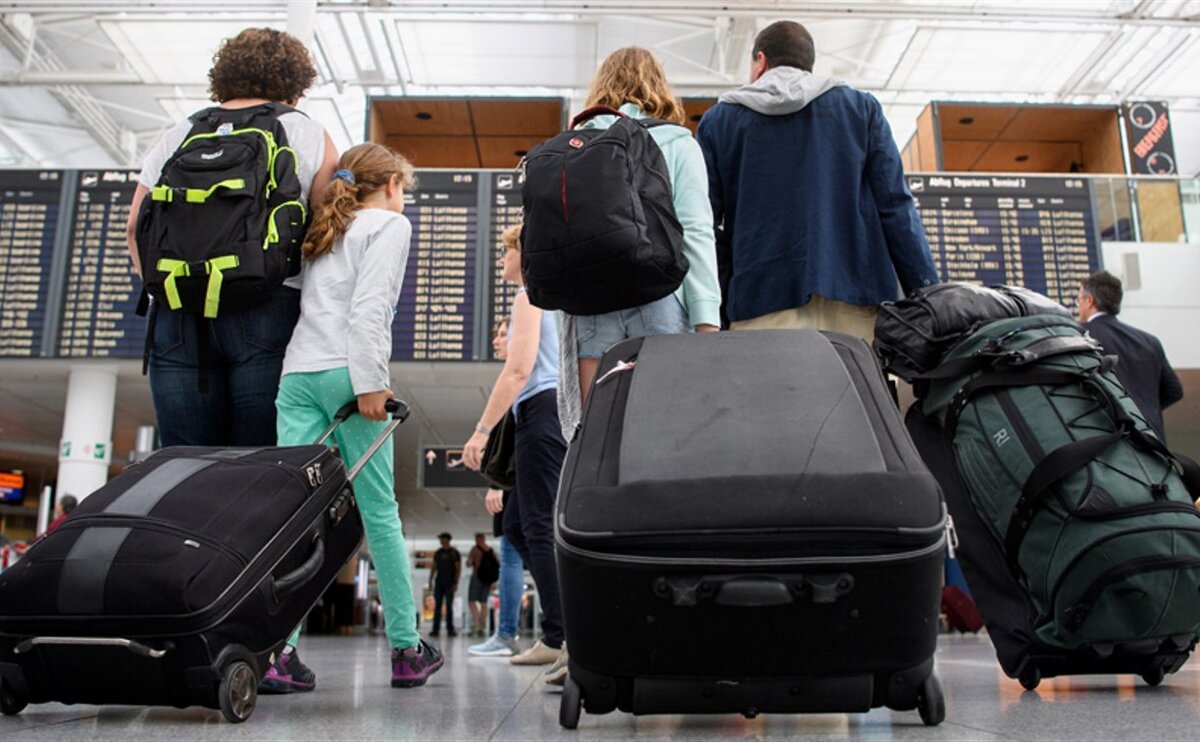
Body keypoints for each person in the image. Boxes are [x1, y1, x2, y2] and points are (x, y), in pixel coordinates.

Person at [270, 142, 443, 692]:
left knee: (294, 515)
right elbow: (371, 308)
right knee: (378, 511)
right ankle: (406, 650)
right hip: (348, 376)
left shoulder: (325, 229)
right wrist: (371, 382)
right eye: (404, 188)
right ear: (391, 183)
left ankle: (278, 652)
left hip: (297, 377)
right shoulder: (389, 225)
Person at [125, 27, 339, 447]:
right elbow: (325, 231)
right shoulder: (306, 133)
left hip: (177, 308)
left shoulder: (180, 133)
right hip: (267, 305)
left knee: (184, 463)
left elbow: (135, 226)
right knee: (255, 464)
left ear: (224, 74)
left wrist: (162, 289)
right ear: (295, 82)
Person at [696, 20, 938, 340]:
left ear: (760, 61)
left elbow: (704, 224)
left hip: (760, 303)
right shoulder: (860, 109)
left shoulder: (719, 122)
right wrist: (928, 295)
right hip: (856, 301)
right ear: (809, 64)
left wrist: (719, 304)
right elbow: (895, 206)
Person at [559, 46, 721, 425]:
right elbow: (695, 230)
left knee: (596, 435)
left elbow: (559, 242)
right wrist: (706, 318)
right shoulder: (678, 142)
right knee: (664, 434)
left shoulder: (572, 146)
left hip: (589, 305)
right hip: (661, 297)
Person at [461, 224, 569, 685]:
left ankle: (563, 636)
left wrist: (482, 431)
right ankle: (558, 631)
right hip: (548, 412)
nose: (502, 260)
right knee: (519, 524)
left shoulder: (530, 296)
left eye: (506, 252)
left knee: (538, 524)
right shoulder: (559, 300)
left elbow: (518, 369)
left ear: (525, 255)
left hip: (542, 411)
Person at [1078, 270, 1183, 442]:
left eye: (1079, 300)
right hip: (1154, 441)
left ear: (1090, 301)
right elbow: (1174, 391)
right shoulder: (1150, 341)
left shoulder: (1081, 335)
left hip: (1111, 440)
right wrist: (1145, 408)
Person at [428, 532, 462, 638]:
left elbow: (458, 569)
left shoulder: (454, 553)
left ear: (447, 540)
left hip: (450, 583)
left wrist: (456, 582)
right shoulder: (438, 553)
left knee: (449, 606)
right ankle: (435, 629)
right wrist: (430, 580)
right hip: (439, 582)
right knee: (437, 606)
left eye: (442, 539)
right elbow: (434, 567)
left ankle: (450, 629)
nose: (441, 541)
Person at [466, 533, 499, 637]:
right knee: (484, 603)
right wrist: (494, 581)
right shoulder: (491, 550)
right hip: (488, 580)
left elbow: (468, 563)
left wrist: (470, 562)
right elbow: (496, 566)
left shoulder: (475, 549)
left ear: (478, 539)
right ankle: (481, 626)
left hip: (477, 577)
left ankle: (476, 625)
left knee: (472, 601)